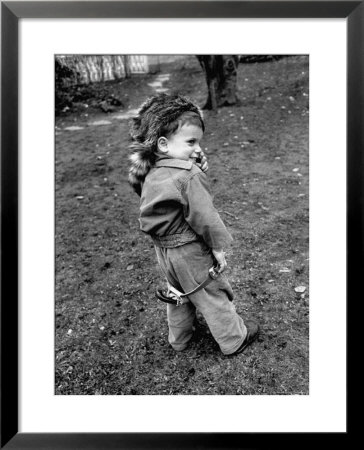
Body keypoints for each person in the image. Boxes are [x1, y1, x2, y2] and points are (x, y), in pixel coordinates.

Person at [128, 93, 259, 356]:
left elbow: (163, 192)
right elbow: (205, 218)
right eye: (191, 142)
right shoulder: (189, 176)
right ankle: (234, 339)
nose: (198, 149)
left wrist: (190, 160)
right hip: (189, 252)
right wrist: (218, 250)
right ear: (163, 143)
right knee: (212, 293)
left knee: (178, 295)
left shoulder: (152, 170)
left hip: (164, 252)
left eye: (198, 142)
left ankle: (180, 339)